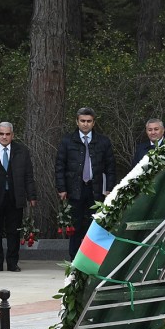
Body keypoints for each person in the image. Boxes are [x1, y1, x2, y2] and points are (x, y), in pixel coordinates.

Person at [0, 122, 37, 273]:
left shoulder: (22, 151)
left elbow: (28, 176)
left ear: (12, 135)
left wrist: (31, 195)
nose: (4, 137)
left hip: (14, 197)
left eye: (7, 134)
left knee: (14, 232)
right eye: (1, 134)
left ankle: (12, 263)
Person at [54, 107, 114, 258]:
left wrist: (109, 189)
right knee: (75, 225)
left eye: (89, 121)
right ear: (77, 121)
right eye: (82, 121)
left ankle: (94, 258)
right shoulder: (68, 141)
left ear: (94, 123)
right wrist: (62, 188)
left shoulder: (103, 141)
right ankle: (74, 258)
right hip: (75, 188)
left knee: (96, 224)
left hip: (96, 189)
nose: (85, 124)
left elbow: (110, 167)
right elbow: (60, 166)